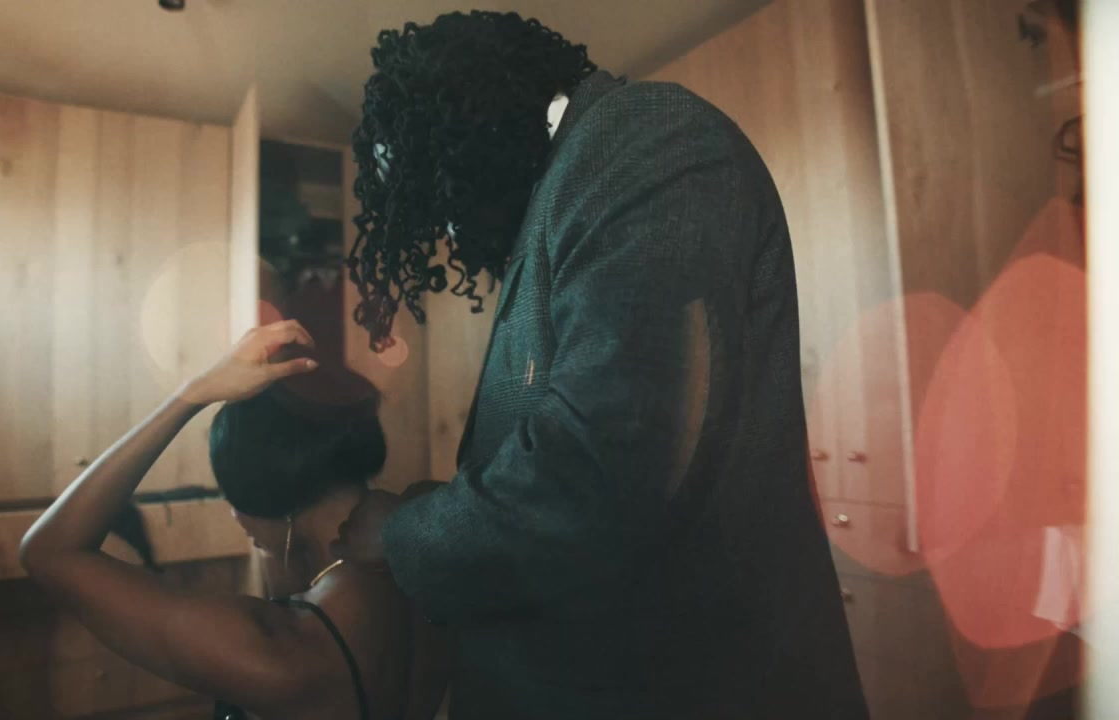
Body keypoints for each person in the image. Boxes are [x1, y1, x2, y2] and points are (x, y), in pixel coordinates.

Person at [332, 11, 868, 719]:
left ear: (472, 127)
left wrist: (401, 534)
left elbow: (603, 468)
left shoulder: (646, 138)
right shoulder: (575, 181)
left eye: (443, 197)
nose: (452, 233)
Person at [20, 321, 448, 720]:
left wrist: (193, 394)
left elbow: (49, 552)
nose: (232, 513)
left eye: (228, 491)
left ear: (261, 489)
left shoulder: (277, 657)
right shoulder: (429, 556)